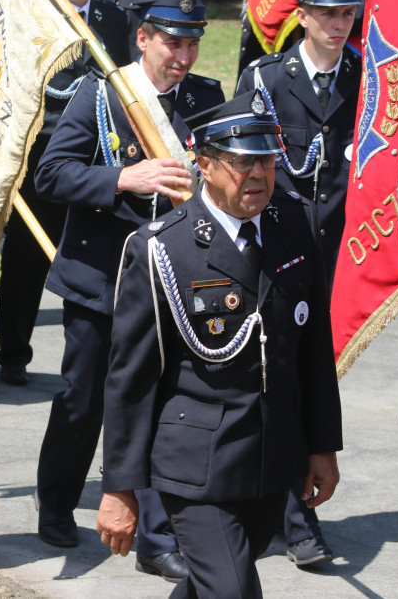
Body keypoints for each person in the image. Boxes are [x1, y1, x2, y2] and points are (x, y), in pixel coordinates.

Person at [97, 91, 342, 598]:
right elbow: (131, 379)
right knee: (231, 591)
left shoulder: (296, 222)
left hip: (273, 456)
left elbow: (313, 349)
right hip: (195, 464)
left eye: (267, 160)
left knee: (214, 584)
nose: (258, 174)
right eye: (241, 162)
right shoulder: (162, 248)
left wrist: (321, 446)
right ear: (204, 165)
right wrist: (119, 488)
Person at [34, 0, 222, 581]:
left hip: (176, 278)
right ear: (143, 38)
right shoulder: (101, 92)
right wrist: (124, 177)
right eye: (173, 42)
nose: (183, 56)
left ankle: (160, 534)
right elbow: (53, 173)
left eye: (192, 43)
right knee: (83, 398)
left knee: (169, 405)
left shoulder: (207, 98)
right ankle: (58, 500)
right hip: (102, 276)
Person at [234, 0, 359, 567]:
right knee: (276, 372)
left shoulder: (368, 77)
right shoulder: (267, 77)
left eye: (347, 13)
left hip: (345, 246)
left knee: (316, 376)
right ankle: (289, 516)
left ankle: (298, 506)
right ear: (303, 15)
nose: (339, 25)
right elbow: (239, 156)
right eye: (328, 13)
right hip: (280, 243)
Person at [0, 0, 131, 386]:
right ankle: (13, 352)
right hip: (42, 162)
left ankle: (102, 353)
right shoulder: (28, 17)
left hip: (98, 163)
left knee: (97, 259)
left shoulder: (114, 19)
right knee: (26, 262)